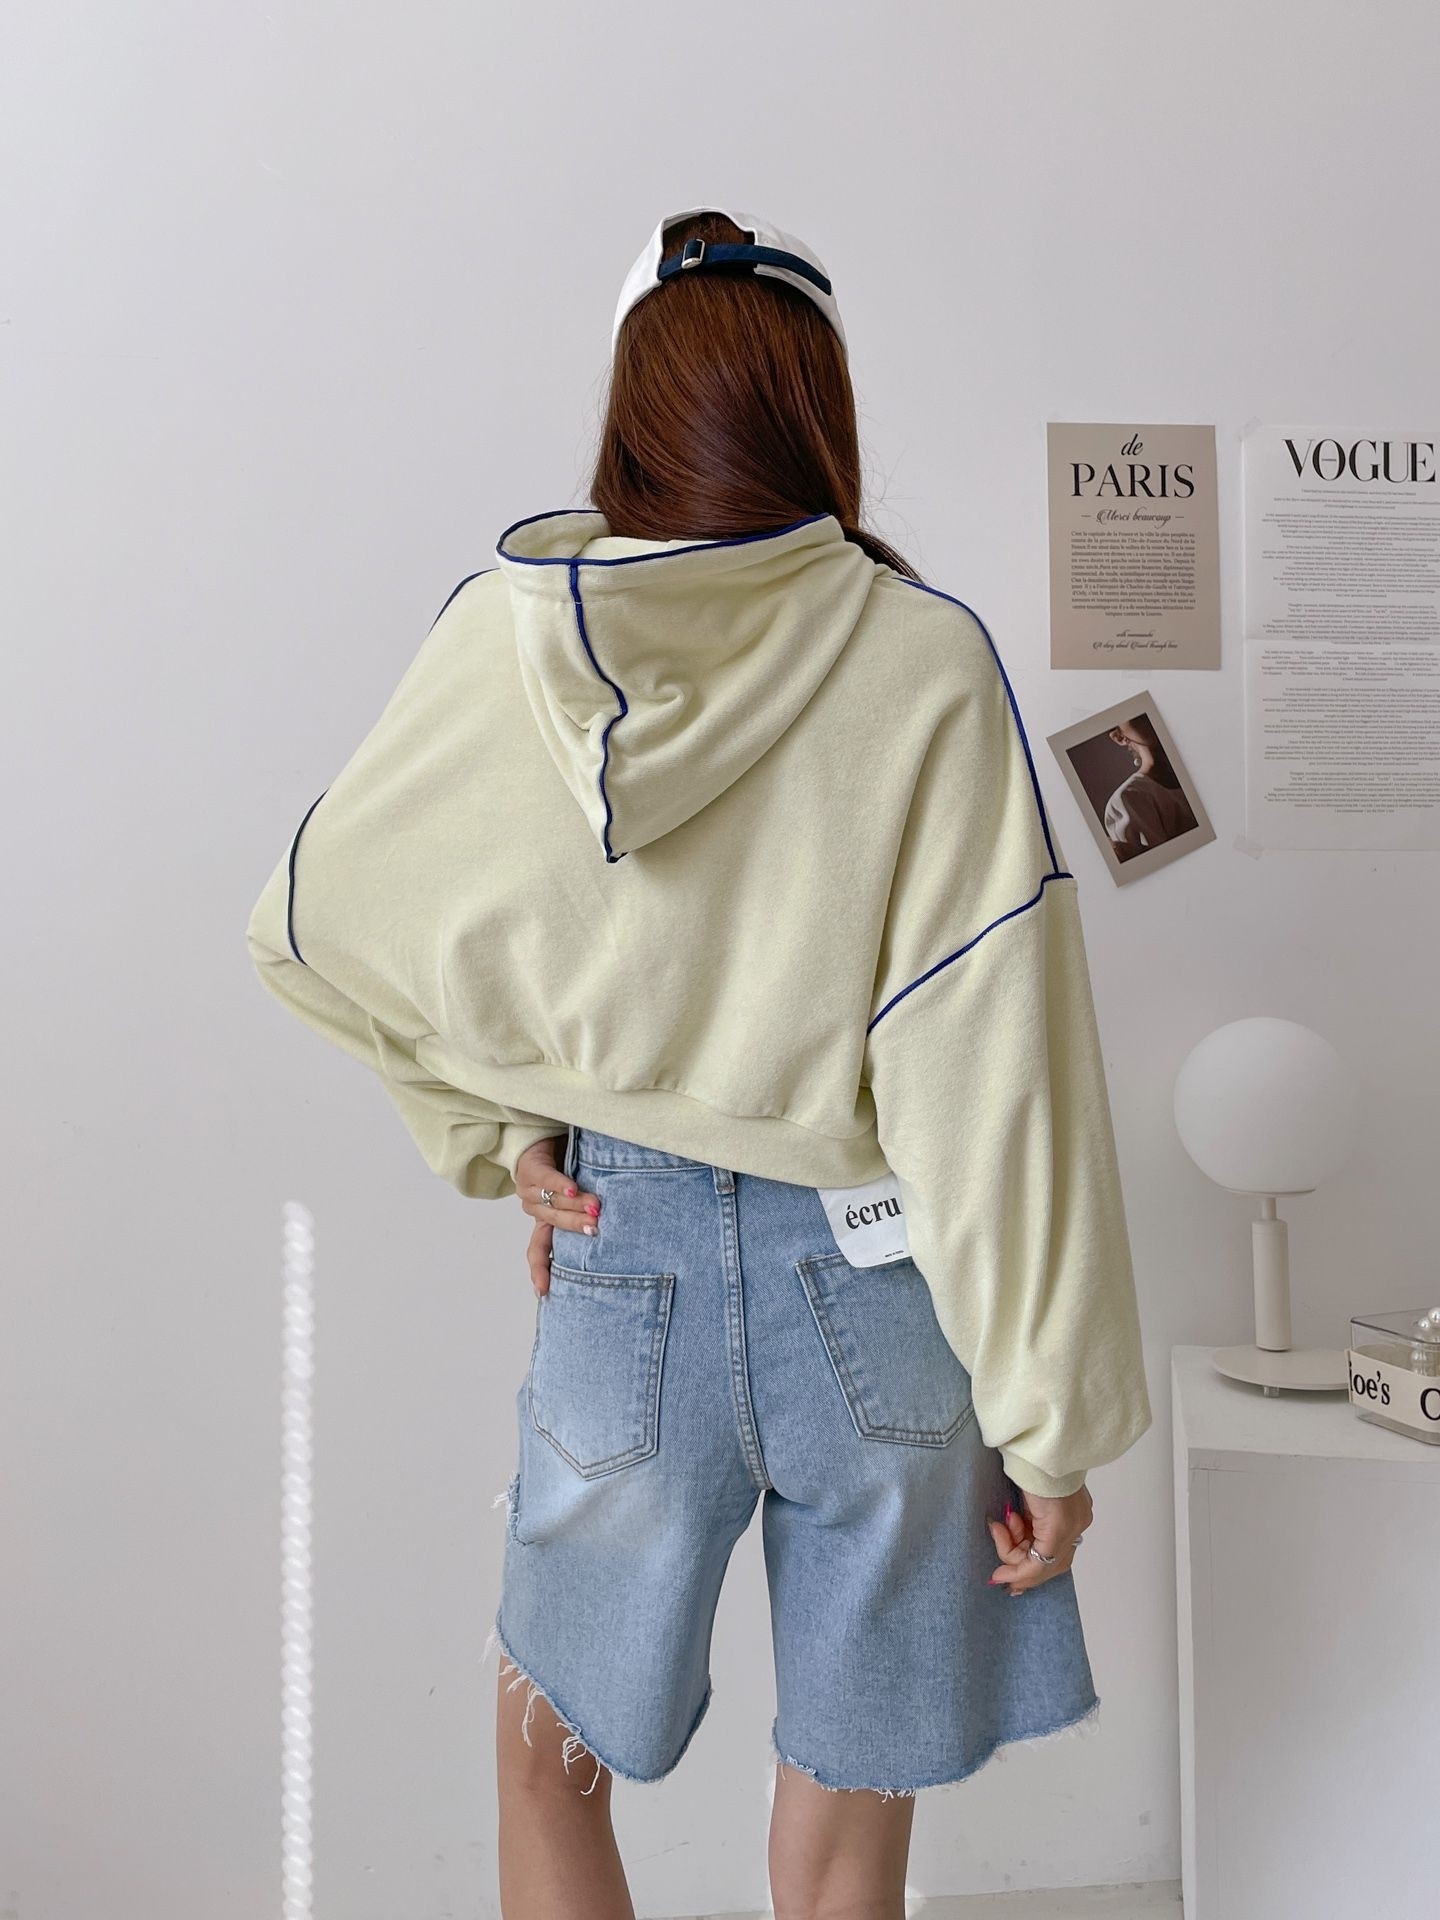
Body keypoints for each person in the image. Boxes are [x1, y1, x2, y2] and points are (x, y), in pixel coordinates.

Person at [245, 204, 1152, 1918]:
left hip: (622, 1267)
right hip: (881, 1288)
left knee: (551, 1761)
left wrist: (502, 1133)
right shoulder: (922, 656)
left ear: (631, 412)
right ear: (822, 409)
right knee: (849, 1804)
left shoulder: (511, 643)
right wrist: (1052, 1428)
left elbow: (311, 922)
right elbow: (993, 1068)